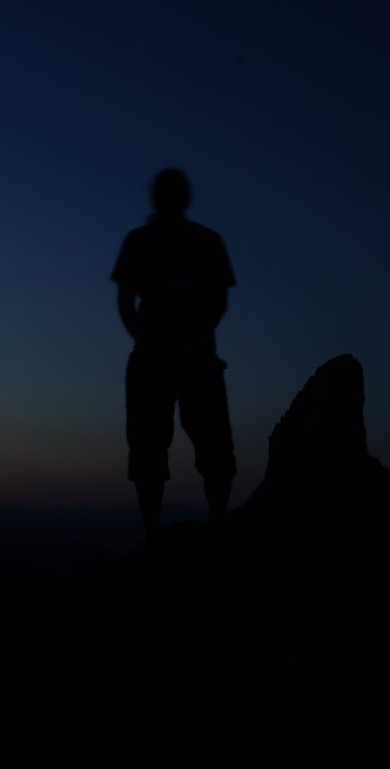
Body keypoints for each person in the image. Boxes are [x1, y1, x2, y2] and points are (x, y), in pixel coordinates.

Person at [111, 168, 237, 539]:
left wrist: (154, 341)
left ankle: (168, 532)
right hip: (180, 354)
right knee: (165, 447)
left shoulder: (147, 240)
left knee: (167, 447)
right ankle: (201, 527)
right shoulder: (200, 240)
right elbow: (220, 302)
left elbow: (124, 304)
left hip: (172, 355)